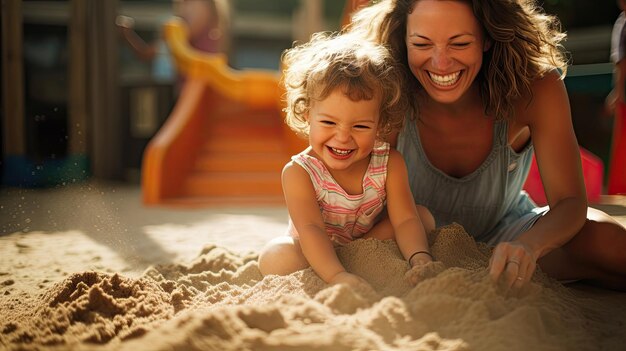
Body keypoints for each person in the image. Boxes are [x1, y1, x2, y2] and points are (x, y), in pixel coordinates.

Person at [343, 0, 626, 292]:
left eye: (459, 43)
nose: (440, 62)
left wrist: (528, 246)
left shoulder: (536, 87)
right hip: (410, 243)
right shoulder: (389, 90)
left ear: (488, 37)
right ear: (403, 40)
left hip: (507, 235)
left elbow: (570, 202)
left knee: (608, 241)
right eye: (422, 44)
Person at [258, 32, 436, 288]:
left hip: (367, 241)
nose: (343, 137)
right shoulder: (300, 172)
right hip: (314, 247)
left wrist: (420, 258)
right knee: (276, 258)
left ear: (380, 123)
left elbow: (405, 218)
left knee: (423, 218)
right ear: (307, 114)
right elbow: (311, 230)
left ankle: (353, 260)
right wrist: (337, 277)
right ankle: (338, 266)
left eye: (361, 126)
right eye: (329, 122)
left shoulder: (389, 163)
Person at [116, 0, 229, 83]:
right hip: (185, 94)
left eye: (190, 3)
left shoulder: (210, 32)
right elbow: (147, 53)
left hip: (201, 94)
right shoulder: (178, 33)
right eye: (183, 4)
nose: (185, 10)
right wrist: (128, 36)